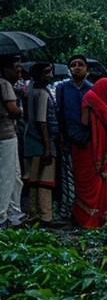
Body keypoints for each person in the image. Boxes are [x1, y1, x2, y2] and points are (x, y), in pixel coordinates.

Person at [73, 78, 107, 228]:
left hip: (96, 148)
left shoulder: (98, 100)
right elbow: (106, 120)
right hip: (90, 148)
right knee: (93, 183)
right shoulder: (92, 98)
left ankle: (99, 217)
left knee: (99, 183)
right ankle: (91, 218)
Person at [56, 55, 93, 222]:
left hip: (87, 139)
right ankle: (67, 210)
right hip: (69, 137)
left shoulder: (91, 89)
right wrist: (62, 136)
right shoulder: (62, 88)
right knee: (68, 175)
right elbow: (60, 113)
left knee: (85, 176)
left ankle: (85, 210)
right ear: (69, 69)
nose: (77, 67)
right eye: (73, 65)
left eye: (80, 65)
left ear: (86, 69)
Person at [21, 62, 56, 225]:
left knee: (32, 178)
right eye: (46, 72)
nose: (50, 76)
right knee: (45, 178)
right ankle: (45, 214)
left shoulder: (29, 92)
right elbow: (42, 120)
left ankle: (33, 212)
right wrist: (48, 146)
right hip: (41, 140)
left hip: (30, 139)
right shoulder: (42, 94)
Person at [0, 57, 23, 228]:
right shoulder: (4, 84)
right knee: (7, 176)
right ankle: (2, 215)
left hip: (6, 134)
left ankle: (14, 212)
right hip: (6, 135)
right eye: (15, 67)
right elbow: (12, 109)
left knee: (14, 175)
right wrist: (23, 110)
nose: (19, 70)